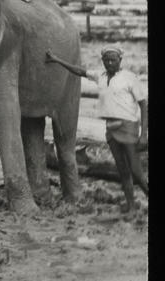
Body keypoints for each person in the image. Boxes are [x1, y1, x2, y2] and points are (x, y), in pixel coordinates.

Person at [45, 45, 148, 213]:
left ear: (120, 60)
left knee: (136, 171)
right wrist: (56, 60)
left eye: (113, 60)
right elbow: (79, 71)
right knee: (122, 171)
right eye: (106, 60)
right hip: (110, 128)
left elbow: (143, 104)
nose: (109, 63)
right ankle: (131, 207)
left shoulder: (129, 77)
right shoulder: (100, 76)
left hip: (128, 127)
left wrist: (143, 134)